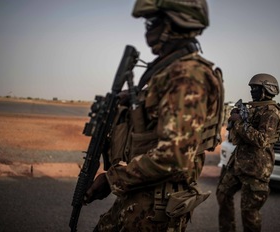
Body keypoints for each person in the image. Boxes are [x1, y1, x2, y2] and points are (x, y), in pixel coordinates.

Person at [83, 0, 225, 231]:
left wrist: (112, 179)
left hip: (156, 205)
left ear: (174, 23)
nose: (148, 28)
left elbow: (174, 158)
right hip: (143, 194)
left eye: (153, 21)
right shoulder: (172, 72)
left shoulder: (186, 76)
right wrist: (134, 97)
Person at [216, 73, 280, 232]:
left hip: (256, 168)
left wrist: (239, 121)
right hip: (238, 164)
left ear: (267, 89)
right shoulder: (253, 109)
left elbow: (262, 140)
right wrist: (233, 122)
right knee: (222, 194)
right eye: (252, 88)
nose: (252, 91)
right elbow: (235, 139)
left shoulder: (271, 112)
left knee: (249, 211)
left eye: (256, 88)